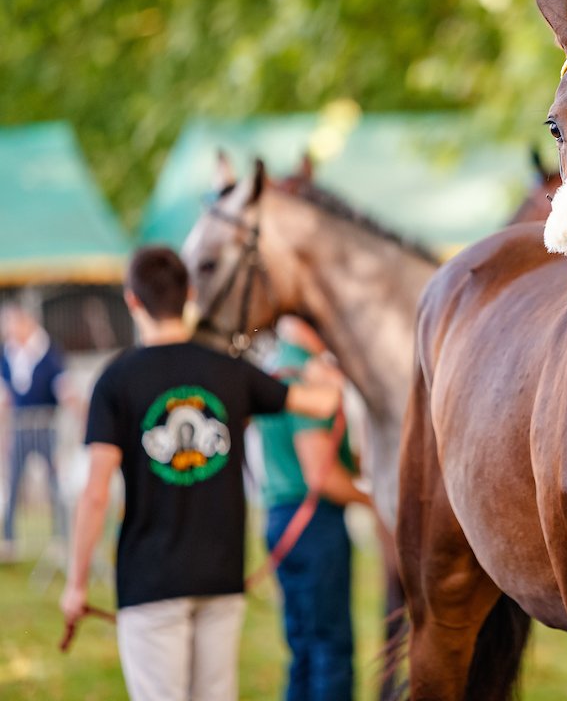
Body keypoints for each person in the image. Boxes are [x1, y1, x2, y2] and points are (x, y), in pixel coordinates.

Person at [59, 246, 343, 701]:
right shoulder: (230, 370)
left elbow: (96, 492)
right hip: (220, 577)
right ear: (189, 294)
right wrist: (324, 371)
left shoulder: (116, 380)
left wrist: (76, 585)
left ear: (132, 300)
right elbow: (322, 404)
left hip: (150, 582)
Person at [255, 315, 372, 701]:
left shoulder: (278, 367)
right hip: (312, 525)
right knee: (331, 650)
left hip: (282, 518)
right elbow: (323, 476)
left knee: (304, 649)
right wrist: (378, 502)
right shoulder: (303, 375)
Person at [0, 302, 77, 555]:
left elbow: (63, 387)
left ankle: (60, 536)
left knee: (54, 482)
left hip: (46, 427)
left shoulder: (48, 352)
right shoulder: (7, 355)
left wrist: (78, 410)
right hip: (20, 429)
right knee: (13, 482)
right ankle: (9, 539)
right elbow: (5, 396)